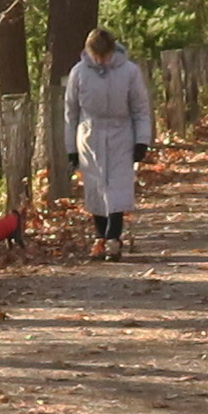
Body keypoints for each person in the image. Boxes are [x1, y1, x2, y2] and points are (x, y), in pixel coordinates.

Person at [66, 26, 156, 257]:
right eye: (96, 56)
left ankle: (113, 236)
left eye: (104, 56)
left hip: (120, 133)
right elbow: (71, 112)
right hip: (90, 134)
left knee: (117, 187)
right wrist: (71, 149)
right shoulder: (79, 73)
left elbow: (140, 108)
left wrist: (141, 140)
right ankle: (100, 237)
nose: (100, 61)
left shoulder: (129, 72)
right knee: (95, 188)